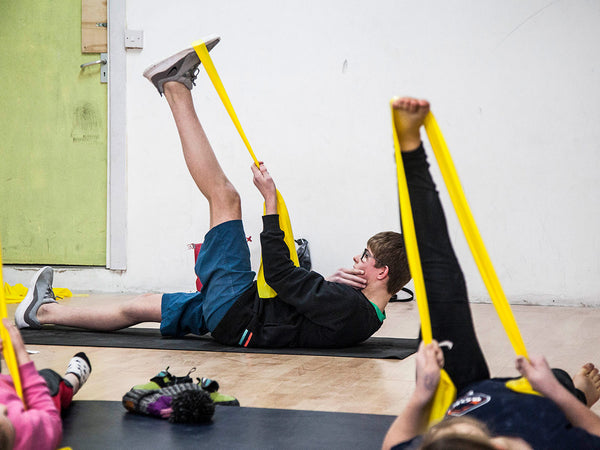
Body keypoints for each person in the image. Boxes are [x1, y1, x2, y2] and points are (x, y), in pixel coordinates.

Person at [15, 37, 410, 349]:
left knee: (226, 198)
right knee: (141, 305)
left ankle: (173, 84)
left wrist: (271, 205)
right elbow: (298, 310)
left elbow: (280, 274)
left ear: (382, 272)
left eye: (366, 256)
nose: (358, 259)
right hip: (239, 317)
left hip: (238, 310)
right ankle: (41, 313)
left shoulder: (350, 308)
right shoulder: (362, 315)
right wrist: (322, 284)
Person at [381, 97, 600, 450]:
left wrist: (421, 396)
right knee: (557, 377)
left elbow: (392, 446)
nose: (506, 440)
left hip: (463, 392)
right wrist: (556, 393)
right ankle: (578, 394)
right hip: (538, 400)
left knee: (439, 277)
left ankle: (410, 151)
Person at [0, 318, 91, 450]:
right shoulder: (24, 429)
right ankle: (73, 379)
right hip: (27, 397)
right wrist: (20, 353)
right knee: (50, 382)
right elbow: (51, 420)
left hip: (6, 383)